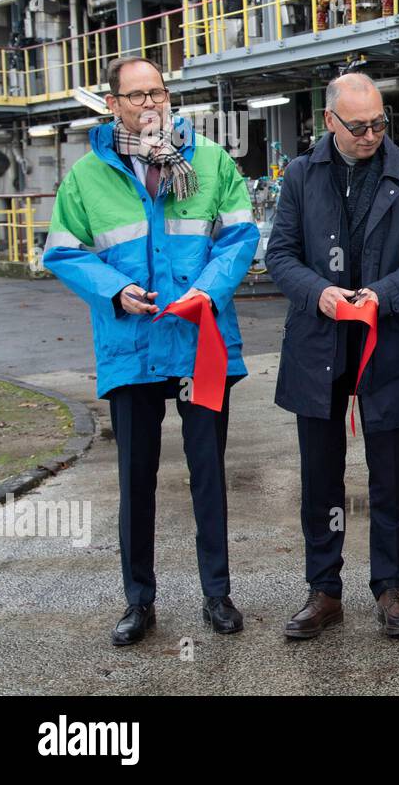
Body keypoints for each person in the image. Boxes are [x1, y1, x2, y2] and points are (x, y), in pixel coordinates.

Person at [43, 55, 258, 646]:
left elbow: (240, 239)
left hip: (200, 346)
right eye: (135, 96)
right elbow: (62, 250)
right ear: (113, 105)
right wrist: (116, 290)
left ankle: (218, 595)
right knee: (136, 481)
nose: (150, 104)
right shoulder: (87, 177)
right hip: (131, 348)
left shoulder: (209, 162)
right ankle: (139, 602)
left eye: (157, 93)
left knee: (208, 474)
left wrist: (203, 293)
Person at [265, 73, 399, 640]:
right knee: (321, 476)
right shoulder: (301, 174)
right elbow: (281, 254)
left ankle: (391, 588)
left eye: (379, 124)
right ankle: (324, 590)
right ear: (330, 123)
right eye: (358, 126)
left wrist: (380, 297)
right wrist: (321, 293)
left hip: (384, 342)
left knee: (389, 476)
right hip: (319, 343)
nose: (370, 135)